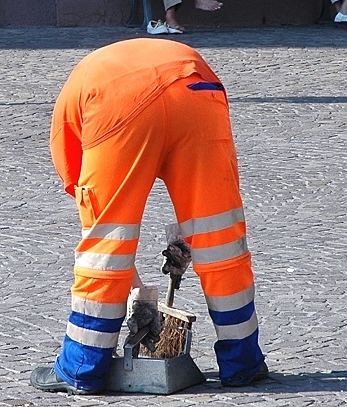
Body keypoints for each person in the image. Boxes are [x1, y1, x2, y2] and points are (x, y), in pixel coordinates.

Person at [30, 39, 268, 394]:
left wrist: (132, 287)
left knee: (104, 247)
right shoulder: (95, 71)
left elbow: (104, 233)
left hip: (116, 101)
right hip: (198, 88)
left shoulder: (70, 115)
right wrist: (146, 288)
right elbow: (197, 210)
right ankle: (243, 361)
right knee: (220, 239)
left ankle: (82, 367)